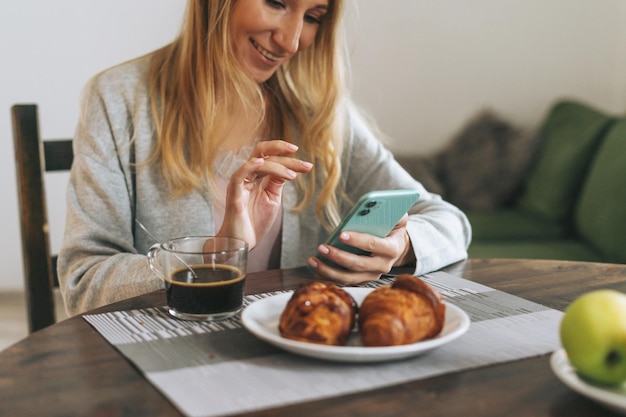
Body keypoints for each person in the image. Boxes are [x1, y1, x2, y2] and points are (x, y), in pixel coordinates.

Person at [58, 0, 471, 316]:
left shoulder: (320, 113)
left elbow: (448, 221)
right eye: (277, 1)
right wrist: (213, 255)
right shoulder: (119, 99)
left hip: (298, 355)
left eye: (313, 16)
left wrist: (401, 247)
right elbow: (83, 279)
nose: (292, 42)